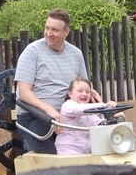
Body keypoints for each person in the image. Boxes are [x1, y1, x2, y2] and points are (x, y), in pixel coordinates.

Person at [15, 8, 88, 154]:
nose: (49, 33)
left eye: (54, 30)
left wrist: (103, 105)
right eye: (47, 28)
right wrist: (49, 110)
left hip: (68, 117)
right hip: (34, 116)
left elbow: (83, 86)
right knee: (53, 156)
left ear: (66, 32)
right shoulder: (32, 52)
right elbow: (23, 93)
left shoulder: (76, 54)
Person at [55, 77, 118, 155]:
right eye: (80, 91)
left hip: (87, 151)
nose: (84, 94)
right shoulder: (68, 106)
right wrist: (105, 105)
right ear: (70, 93)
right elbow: (80, 109)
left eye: (87, 92)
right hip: (69, 149)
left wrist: (114, 117)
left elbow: (100, 124)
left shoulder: (91, 113)